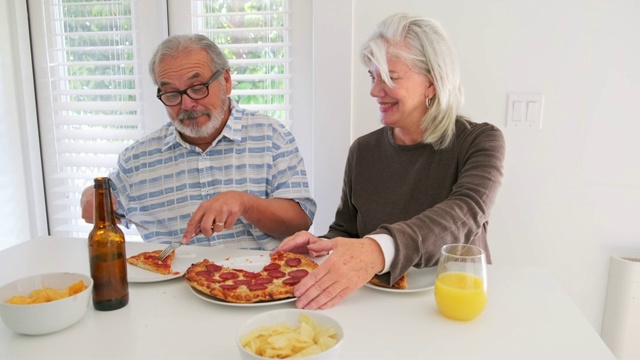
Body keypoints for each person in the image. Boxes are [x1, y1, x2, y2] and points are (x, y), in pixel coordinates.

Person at [275, 13, 505, 309]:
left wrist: (377, 250)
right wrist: (319, 247)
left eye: (390, 77)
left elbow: (465, 213)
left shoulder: (480, 141)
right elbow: (347, 232)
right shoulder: (363, 151)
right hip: (375, 304)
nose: (374, 91)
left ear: (432, 83)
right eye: (373, 76)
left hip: (451, 305)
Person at [80, 34, 316, 250]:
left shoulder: (271, 136)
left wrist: (245, 203)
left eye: (197, 87)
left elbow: (299, 222)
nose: (187, 104)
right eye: (171, 94)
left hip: (258, 284)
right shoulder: (137, 159)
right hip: (170, 288)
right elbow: (103, 200)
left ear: (226, 80)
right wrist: (91, 197)